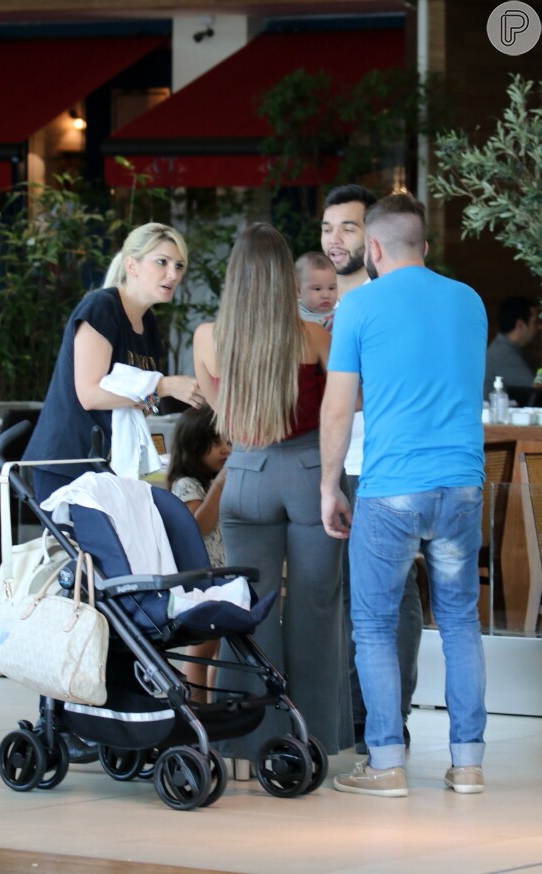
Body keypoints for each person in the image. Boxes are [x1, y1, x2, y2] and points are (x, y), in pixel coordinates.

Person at [321, 193, 488, 798]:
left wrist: (328, 486)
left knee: (372, 622)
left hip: (392, 489)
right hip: (463, 488)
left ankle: (386, 763)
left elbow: (339, 406)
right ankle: (467, 764)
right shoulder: (469, 301)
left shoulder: (359, 306)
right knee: (462, 621)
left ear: (373, 247)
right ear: (426, 245)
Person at [23, 222, 204, 762]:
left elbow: (131, 401)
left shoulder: (145, 325)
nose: (171, 275)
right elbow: (89, 390)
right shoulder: (102, 307)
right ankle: (63, 711)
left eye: (178, 267)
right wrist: (165, 385)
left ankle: (110, 711)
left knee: (118, 591)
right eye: (162, 263)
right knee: (85, 593)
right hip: (70, 466)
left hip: (112, 472)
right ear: (132, 263)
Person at [193, 222, 352, 763]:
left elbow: (220, 413)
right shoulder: (313, 338)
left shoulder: (208, 339)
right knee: (316, 608)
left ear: (235, 278)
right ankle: (313, 742)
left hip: (248, 477)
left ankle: (251, 742)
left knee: (253, 611)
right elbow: (345, 406)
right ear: (285, 278)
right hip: (310, 473)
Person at [321, 184, 423, 755]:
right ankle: (344, 714)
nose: (336, 239)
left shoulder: (392, 302)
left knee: (392, 595)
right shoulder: (312, 306)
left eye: (349, 228)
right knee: (331, 596)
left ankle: (384, 717)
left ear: (377, 239)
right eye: (328, 227)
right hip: (324, 467)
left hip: (380, 469)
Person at [166, 404, 231, 704]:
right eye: (215, 442)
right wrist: (218, 487)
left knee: (218, 647)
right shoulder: (187, 484)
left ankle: (213, 707)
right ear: (193, 447)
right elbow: (198, 527)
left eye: (227, 442)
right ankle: (198, 709)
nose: (224, 449)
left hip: (221, 578)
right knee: (202, 648)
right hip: (202, 582)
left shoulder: (208, 483)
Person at [484, 296, 540, 398]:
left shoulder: (505, 349)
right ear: (520, 325)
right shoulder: (503, 354)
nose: (539, 327)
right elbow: (536, 390)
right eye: (535, 322)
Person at [295, 251, 337, 332]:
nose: (326, 295)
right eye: (317, 289)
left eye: (331, 288)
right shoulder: (294, 314)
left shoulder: (340, 315)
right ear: (299, 290)